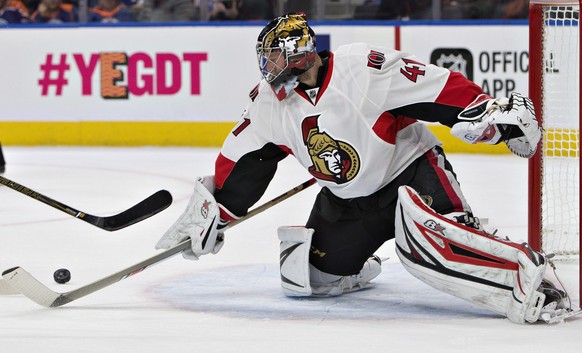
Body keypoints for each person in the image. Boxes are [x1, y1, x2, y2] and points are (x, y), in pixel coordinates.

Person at [156, 13, 573, 324]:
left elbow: (432, 84)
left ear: (299, 54)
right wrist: (216, 210)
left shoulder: (361, 67)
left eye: (275, 57)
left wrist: (483, 112)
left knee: (431, 250)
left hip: (411, 173)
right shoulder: (268, 103)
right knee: (306, 278)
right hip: (347, 204)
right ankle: (365, 259)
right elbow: (244, 158)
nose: (268, 68)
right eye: (265, 58)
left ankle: (530, 275)